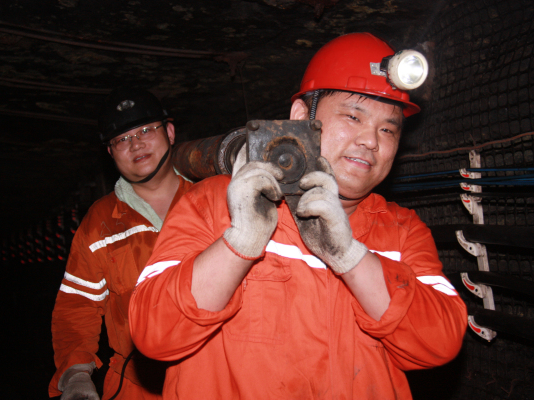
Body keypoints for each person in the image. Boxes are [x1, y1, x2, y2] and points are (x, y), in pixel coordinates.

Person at [129, 33, 467, 399]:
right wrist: (239, 243)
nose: (371, 140)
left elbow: (440, 344)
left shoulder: (402, 230)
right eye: (353, 117)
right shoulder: (212, 204)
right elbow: (153, 333)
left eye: (387, 129)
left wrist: (351, 257)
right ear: (301, 117)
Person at [49, 87, 193, 400]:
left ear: (169, 132)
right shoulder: (100, 223)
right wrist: (76, 373)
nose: (136, 144)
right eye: (122, 139)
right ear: (111, 152)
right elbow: (77, 307)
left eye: (146, 130)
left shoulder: (215, 200)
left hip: (219, 377)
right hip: (140, 386)